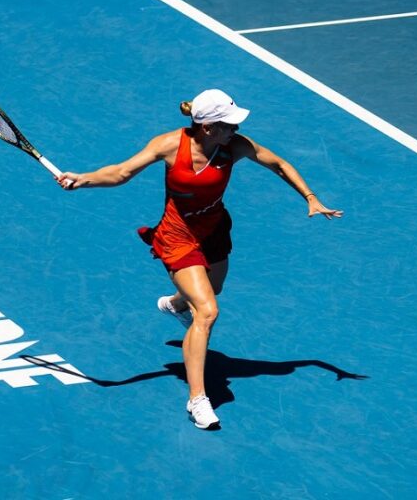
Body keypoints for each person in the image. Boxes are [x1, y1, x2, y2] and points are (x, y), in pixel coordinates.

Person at [55, 89, 343, 430]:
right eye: (229, 124)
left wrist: (310, 197)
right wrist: (84, 179)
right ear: (208, 127)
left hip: (215, 228)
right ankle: (198, 399)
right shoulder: (167, 145)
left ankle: (176, 305)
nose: (235, 129)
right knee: (207, 311)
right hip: (178, 238)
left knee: (212, 290)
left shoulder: (234, 146)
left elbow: (278, 163)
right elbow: (121, 173)